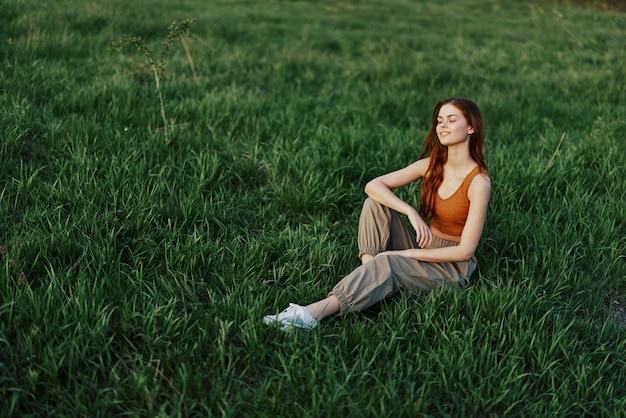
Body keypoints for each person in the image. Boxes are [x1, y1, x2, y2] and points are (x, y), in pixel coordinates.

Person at [264, 97, 492, 331]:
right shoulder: (431, 165)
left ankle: (312, 314)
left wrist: (405, 254)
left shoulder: (478, 182)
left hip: (451, 269)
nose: (442, 126)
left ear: (471, 127)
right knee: (375, 205)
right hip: (426, 246)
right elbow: (373, 185)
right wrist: (409, 211)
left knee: (390, 262)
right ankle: (371, 276)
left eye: (452, 120)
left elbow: (465, 251)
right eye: (439, 120)